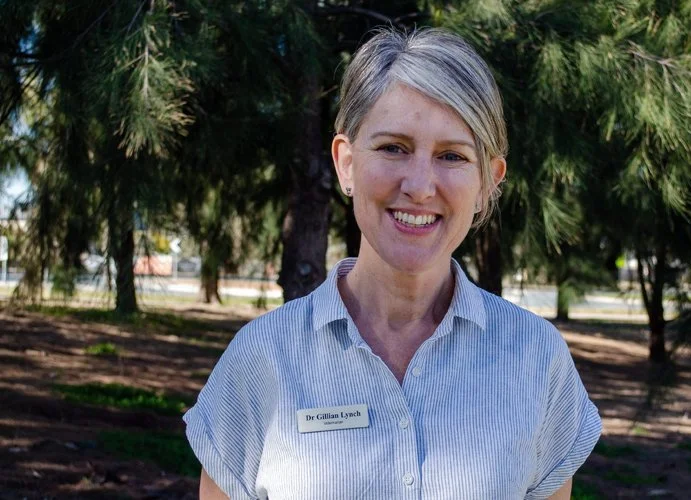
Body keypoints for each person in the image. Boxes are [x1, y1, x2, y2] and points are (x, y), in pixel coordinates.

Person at [184, 27, 602, 500]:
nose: (420, 186)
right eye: (393, 148)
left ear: (489, 181)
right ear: (345, 162)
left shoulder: (536, 359)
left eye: (451, 155)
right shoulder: (261, 358)